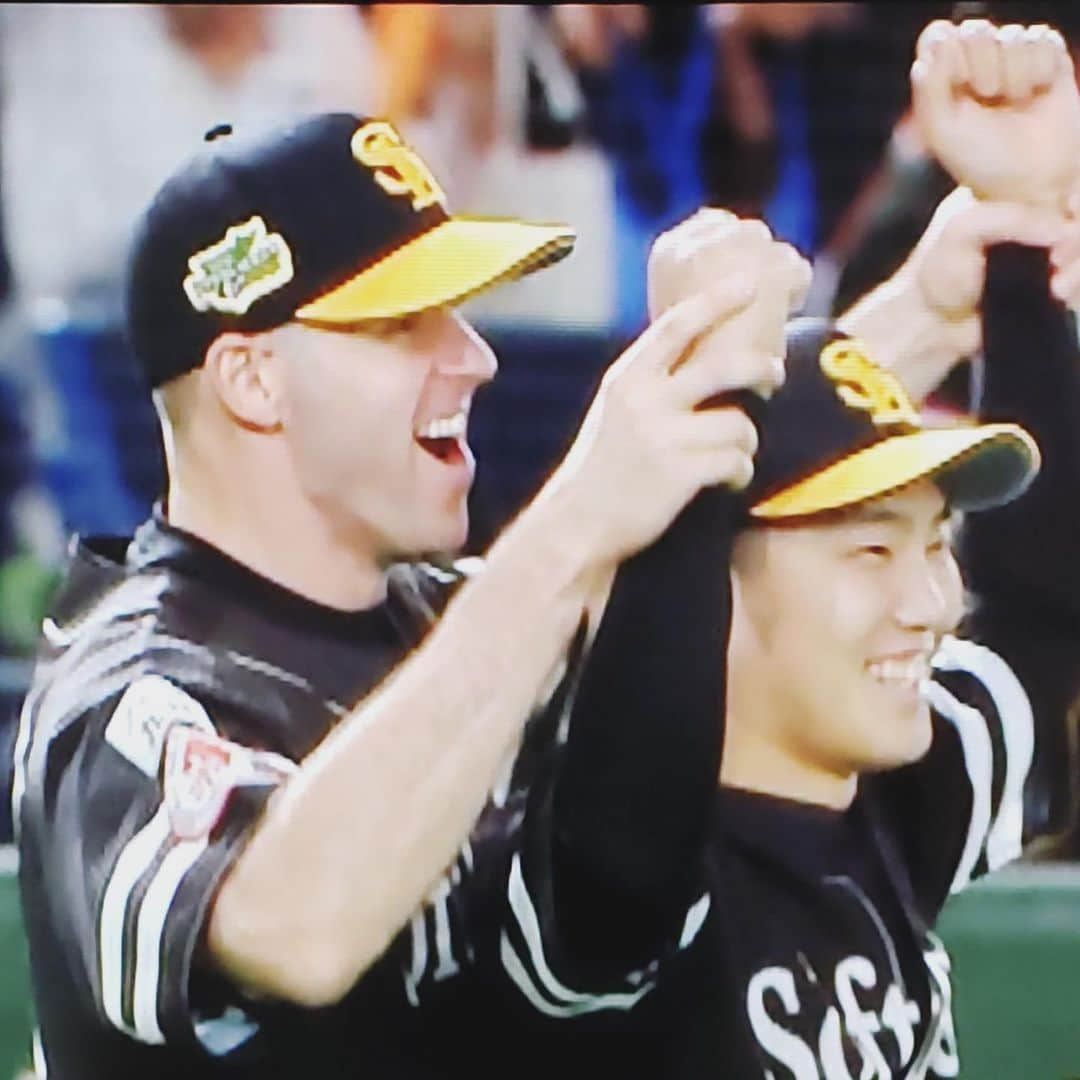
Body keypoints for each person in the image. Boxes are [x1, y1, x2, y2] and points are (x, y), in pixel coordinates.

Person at [12, 111, 811, 1076]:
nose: (476, 357)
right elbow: (289, 930)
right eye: (404, 322)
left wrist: (748, 353)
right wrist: (576, 521)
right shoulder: (124, 693)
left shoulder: (460, 621)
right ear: (254, 380)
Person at [482, 18, 1080, 1076]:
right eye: (868, 553)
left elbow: (1033, 615)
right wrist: (698, 380)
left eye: (934, 543)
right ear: (716, 583)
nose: (932, 602)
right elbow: (629, 824)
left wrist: (1022, 230)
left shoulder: (891, 802)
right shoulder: (615, 891)